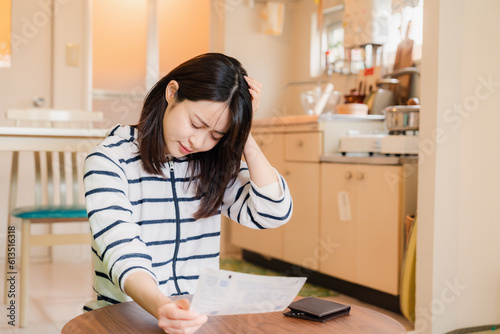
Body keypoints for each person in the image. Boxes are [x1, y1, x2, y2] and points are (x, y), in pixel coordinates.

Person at [83, 53, 293, 333]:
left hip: (196, 320)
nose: (199, 141)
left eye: (217, 135)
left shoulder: (211, 164)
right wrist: (163, 308)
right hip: (125, 317)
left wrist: (245, 136)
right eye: (196, 124)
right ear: (172, 93)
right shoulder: (108, 161)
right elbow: (122, 250)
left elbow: (273, 212)